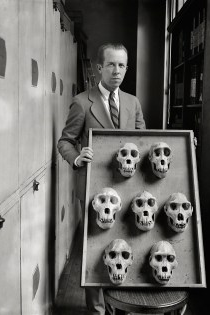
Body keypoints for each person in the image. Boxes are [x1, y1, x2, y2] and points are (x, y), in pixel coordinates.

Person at [57, 43, 146, 315]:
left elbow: (143, 141)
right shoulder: (82, 102)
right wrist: (76, 156)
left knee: (124, 245)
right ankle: (96, 309)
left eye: (121, 65)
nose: (116, 71)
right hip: (96, 193)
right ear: (99, 68)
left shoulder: (133, 102)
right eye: (111, 64)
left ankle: (121, 304)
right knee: (96, 249)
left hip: (127, 188)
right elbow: (65, 142)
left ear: (127, 69)